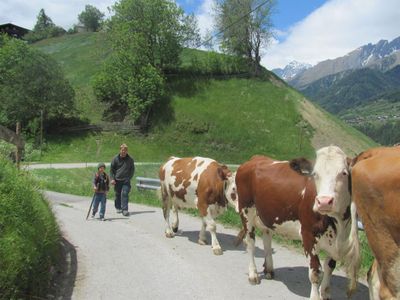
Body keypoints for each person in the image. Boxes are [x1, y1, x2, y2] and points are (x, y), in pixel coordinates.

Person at [110, 143, 135, 216]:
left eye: (125, 150)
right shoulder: (115, 159)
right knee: (117, 194)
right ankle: (118, 207)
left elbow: (132, 170)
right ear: (120, 150)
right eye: (122, 150)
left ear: (127, 151)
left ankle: (125, 210)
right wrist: (112, 179)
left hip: (126, 180)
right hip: (117, 180)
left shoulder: (130, 159)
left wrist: (129, 178)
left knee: (124, 193)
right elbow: (111, 170)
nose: (123, 151)